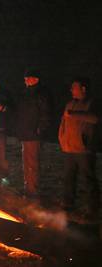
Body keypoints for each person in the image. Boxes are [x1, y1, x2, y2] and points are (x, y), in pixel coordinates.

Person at [58, 78, 100, 221]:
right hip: (69, 148)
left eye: (74, 87)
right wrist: (62, 139)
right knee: (68, 178)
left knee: (88, 180)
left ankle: (92, 209)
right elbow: (63, 122)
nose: (71, 90)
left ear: (83, 88)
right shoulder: (70, 104)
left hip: (84, 149)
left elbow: (95, 119)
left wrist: (75, 115)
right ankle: (67, 204)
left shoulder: (92, 103)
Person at [15, 69, 51, 198]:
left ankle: (33, 189)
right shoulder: (26, 93)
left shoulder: (40, 94)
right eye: (25, 79)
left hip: (33, 133)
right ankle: (28, 187)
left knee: (32, 162)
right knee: (26, 162)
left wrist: (40, 129)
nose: (26, 80)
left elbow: (45, 113)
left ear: (36, 79)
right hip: (26, 132)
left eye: (28, 78)